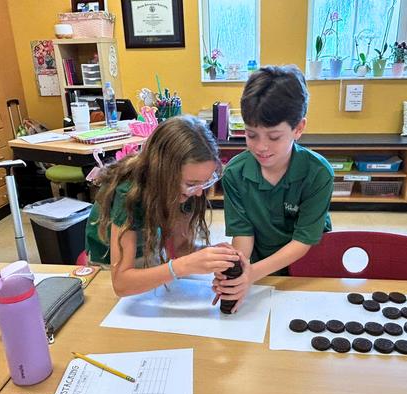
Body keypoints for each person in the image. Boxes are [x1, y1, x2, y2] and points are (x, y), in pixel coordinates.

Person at [215, 65, 334, 312]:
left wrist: (250, 274)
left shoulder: (318, 173)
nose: (261, 147)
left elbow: (303, 240)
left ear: (298, 128)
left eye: (274, 137)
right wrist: (239, 271)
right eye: (251, 135)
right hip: (261, 268)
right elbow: (243, 233)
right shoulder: (235, 173)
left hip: (307, 268)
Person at [86, 115, 239, 296]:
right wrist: (181, 266)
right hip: (107, 266)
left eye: (205, 182)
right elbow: (121, 283)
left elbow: (181, 248)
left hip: (148, 250)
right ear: (162, 173)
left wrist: (212, 255)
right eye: (191, 184)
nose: (199, 193)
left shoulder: (191, 187)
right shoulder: (129, 192)